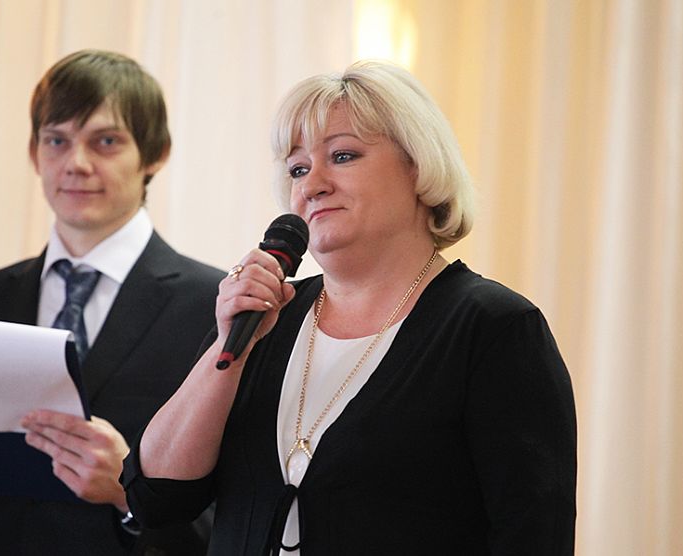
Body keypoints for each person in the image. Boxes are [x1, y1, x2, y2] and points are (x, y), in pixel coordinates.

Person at [122, 60, 577, 555]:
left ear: (419, 166)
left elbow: (533, 535)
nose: (312, 184)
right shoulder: (267, 318)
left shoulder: (495, 329)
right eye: (298, 169)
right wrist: (227, 353)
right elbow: (156, 498)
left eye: (342, 156)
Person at [0, 50, 224, 555]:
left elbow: (232, 520)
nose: (76, 163)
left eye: (106, 141)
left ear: (155, 153)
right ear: (34, 154)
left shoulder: (214, 309)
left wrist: (129, 494)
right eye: (57, 140)